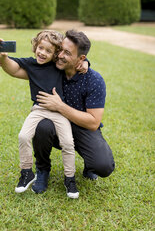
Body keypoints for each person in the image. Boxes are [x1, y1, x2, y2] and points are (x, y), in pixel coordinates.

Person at [0, 30, 89, 199]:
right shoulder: (30, 64)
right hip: (38, 110)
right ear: (35, 46)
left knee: (68, 143)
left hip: (59, 112)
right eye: (40, 48)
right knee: (23, 136)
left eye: (48, 51)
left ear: (55, 54)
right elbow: (11, 65)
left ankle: (70, 179)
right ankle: (27, 172)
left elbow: (77, 61)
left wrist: (87, 62)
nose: (42, 53)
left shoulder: (58, 66)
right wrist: (1, 58)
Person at [30, 29, 115, 194]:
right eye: (60, 49)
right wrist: (2, 59)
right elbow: (20, 68)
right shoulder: (52, 69)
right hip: (54, 124)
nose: (60, 55)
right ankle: (42, 169)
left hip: (82, 127)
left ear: (81, 59)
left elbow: (93, 122)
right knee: (42, 125)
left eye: (67, 53)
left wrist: (60, 106)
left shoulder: (94, 80)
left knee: (103, 166)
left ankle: (90, 165)